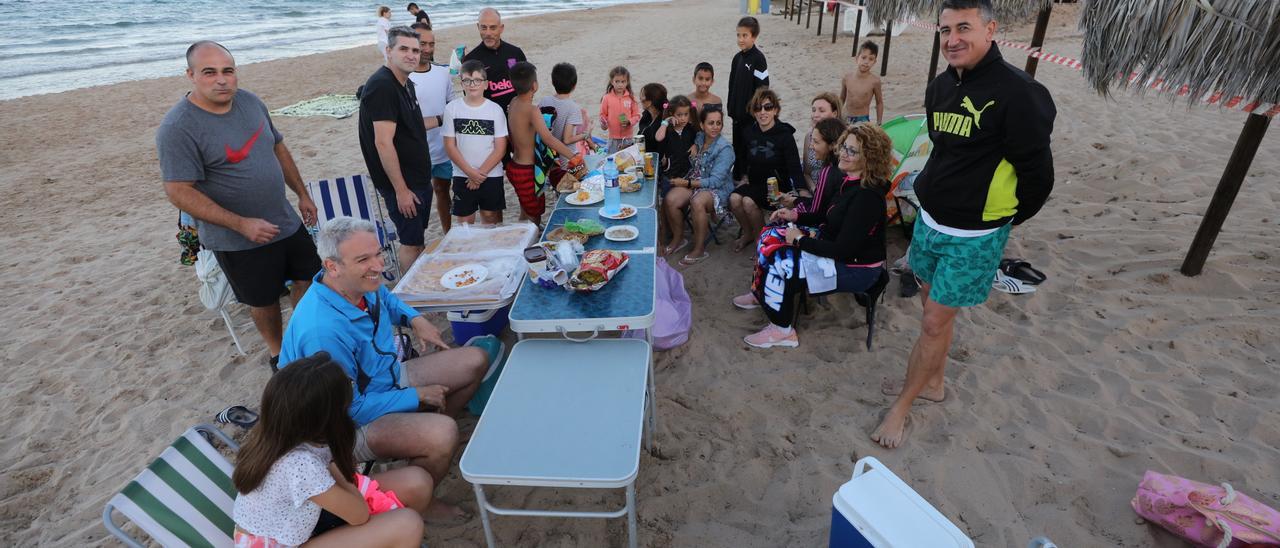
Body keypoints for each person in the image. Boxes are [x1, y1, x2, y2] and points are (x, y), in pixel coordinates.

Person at [875, 0, 1056, 449]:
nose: (952, 39)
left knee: (934, 322)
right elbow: (940, 148)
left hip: (974, 235)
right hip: (930, 221)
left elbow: (1038, 176)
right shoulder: (939, 87)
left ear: (990, 29)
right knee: (931, 310)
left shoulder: (1020, 93)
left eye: (964, 28)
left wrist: (998, 222)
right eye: (945, 30)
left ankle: (902, 406)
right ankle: (933, 384)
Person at [279, 217, 488, 520]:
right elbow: (350, 409)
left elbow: (386, 300)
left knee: (474, 360)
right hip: (342, 428)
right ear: (332, 266)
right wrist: (415, 396)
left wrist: (415, 320)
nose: (378, 265)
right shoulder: (323, 331)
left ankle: (422, 444)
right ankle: (421, 498)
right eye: (364, 259)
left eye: (378, 253)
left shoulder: (359, 283)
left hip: (383, 379)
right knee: (443, 434)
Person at [158, 41, 320, 369]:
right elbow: (178, 191)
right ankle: (279, 355)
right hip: (236, 238)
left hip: (283, 219)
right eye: (209, 72)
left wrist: (302, 193)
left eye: (228, 71)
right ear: (190, 75)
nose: (222, 79)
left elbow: (279, 149)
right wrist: (240, 223)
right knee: (263, 299)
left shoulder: (250, 102)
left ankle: (298, 340)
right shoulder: (177, 128)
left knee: (309, 277)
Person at [232, 353, 431, 547]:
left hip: (302, 518)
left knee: (416, 482)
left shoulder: (279, 432)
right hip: (282, 542)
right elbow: (358, 515)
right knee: (408, 525)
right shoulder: (299, 464)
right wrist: (337, 468)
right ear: (327, 416)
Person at [733, 124, 894, 348]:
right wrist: (794, 216)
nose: (843, 153)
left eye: (852, 151)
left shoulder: (867, 197)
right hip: (834, 248)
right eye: (844, 147)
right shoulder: (850, 181)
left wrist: (799, 240)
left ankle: (782, 330)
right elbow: (826, 216)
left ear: (869, 158)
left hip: (856, 269)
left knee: (780, 260)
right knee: (769, 234)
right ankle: (761, 293)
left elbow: (843, 250)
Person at [358, 26, 433, 274]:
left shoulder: (405, 83)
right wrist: (401, 190)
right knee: (411, 244)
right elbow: (383, 142)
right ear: (388, 51)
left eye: (415, 50)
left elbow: (409, 128)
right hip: (404, 186)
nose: (412, 55)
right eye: (404, 49)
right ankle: (409, 300)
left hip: (418, 179)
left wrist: (442, 119)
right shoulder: (382, 87)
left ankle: (416, 290)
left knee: (418, 240)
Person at [505, 61, 584, 227]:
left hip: (514, 166)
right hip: (527, 171)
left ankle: (524, 236)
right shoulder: (532, 110)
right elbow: (549, 139)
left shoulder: (513, 102)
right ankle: (527, 247)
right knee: (534, 216)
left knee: (527, 210)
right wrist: (574, 155)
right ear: (535, 85)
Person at [728, 88, 804, 253]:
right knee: (734, 198)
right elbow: (742, 157)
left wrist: (800, 191)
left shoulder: (784, 134)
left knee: (748, 201)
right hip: (754, 182)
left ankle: (761, 239)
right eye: (758, 108)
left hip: (776, 187)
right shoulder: (748, 132)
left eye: (767, 107)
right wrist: (744, 176)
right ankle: (748, 233)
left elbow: (794, 165)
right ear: (753, 111)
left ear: (775, 110)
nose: (763, 112)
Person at [664, 105, 734, 266]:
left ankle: (699, 248)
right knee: (670, 199)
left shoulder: (725, 149)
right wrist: (695, 145)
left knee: (697, 202)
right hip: (697, 181)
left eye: (718, 123)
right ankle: (678, 238)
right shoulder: (700, 138)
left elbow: (715, 181)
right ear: (702, 125)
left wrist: (687, 183)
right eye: (711, 123)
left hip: (717, 188)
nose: (715, 127)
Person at [442, 60, 508, 225]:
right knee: (464, 221)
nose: (472, 85)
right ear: (461, 83)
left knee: (490, 217)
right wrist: (470, 173)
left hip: (491, 174)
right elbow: (450, 146)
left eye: (477, 80)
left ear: (485, 84)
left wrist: (480, 174)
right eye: (467, 81)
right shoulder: (452, 109)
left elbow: (500, 148)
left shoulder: (495, 110)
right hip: (462, 174)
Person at [406, 23, 455, 233]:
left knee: (443, 192)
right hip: (416, 155)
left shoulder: (443, 73)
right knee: (419, 202)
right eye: (422, 44)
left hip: (444, 149)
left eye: (431, 44)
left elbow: (452, 106)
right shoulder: (402, 77)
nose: (427, 49)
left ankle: (448, 233)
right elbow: (405, 122)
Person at [655, 95, 701, 255]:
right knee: (662, 205)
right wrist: (665, 121)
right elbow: (658, 137)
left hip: (688, 175)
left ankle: (678, 237)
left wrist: (695, 144)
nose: (683, 118)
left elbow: (702, 139)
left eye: (686, 114)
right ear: (672, 114)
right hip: (670, 173)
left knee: (669, 202)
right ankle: (666, 235)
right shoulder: (667, 129)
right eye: (679, 115)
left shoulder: (692, 129)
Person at [461, 8, 526, 113]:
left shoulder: (515, 53)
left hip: (516, 117)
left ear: (501, 28)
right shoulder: (470, 60)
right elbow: (469, 98)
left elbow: (527, 85)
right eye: (483, 28)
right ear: (478, 27)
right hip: (488, 119)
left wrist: (519, 103)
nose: (488, 33)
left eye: (493, 28)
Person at [727, 16, 769, 181]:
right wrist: (731, 109)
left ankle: (748, 178)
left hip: (750, 118)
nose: (740, 39)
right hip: (736, 116)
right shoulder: (737, 58)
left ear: (754, 36)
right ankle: (737, 176)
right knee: (737, 147)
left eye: (745, 35)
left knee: (748, 149)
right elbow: (732, 86)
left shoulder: (758, 59)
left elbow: (763, 88)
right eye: (738, 35)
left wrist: (755, 112)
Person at [538, 63, 594, 170]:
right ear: (574, 86)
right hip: (566, 159)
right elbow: (567, 139)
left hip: (548, 156)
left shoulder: (544, 101)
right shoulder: (573, 107)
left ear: (553, 82)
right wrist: (586, 133)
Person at [791, 116, 848, 216]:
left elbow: (815, 211)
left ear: (832, 145)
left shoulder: (828, 172)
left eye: (816, 142)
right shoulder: (847, 167)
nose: (810, 146)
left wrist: (795, 204)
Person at [800, 93, 843, 196]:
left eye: (821, 110)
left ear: (835, 113)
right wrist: (813, 189)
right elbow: (806, 173)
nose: (815, 115)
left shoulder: (844, 140)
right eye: (813, 110)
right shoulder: (809, 137)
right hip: (813, 189)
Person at [598, 66, 641, 153]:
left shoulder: (631, 98)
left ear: (627, 82)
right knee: (613, 161)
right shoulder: (607, 98)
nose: (620, 84)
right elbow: (602, 115)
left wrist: (629, 121)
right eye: (617, 81)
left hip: (628, 138)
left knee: (627, 162)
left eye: (623, 82)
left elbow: (637, 115)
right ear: (612, 82)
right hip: (613, 139)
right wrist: (604, 124)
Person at [840, 41, 884, 125]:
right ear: (857, 58)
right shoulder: (847, 78)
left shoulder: (874, 81)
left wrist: (879, 122)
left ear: (874, 62)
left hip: (863, 119)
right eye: (863, 57)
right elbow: (841, 99)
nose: (866, 62)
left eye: (871, 59)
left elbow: (879, 102)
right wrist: (837, 115)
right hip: (845, 117)